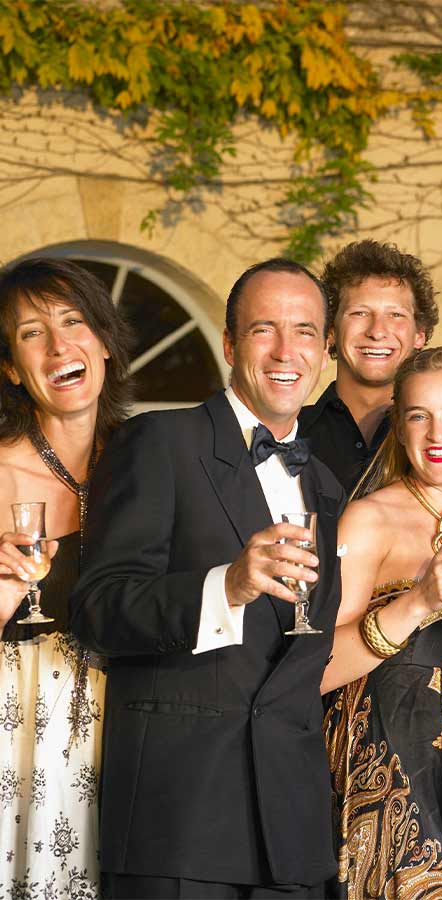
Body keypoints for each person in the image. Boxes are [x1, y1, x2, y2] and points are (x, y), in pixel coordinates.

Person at [70, 258, 346, 897]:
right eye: (263, 330)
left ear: (326, 349)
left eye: (305, 331)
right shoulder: (159, 441)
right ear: (229, 345)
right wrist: (227, 586)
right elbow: (99, 608)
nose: (286, 351)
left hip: (294, 839)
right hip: (178, 821)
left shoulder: (327, 489)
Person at [322, 346, 442, 898]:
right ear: (399, 428)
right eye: (419, 415)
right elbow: (319, 670)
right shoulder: (369, 518)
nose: (437, 432)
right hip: (381, 791)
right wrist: (419, 600)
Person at [0, 258, 133, 896]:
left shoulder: (152, 463)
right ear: (9, 367)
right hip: (20, 731)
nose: (58, 345)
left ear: (104, 342)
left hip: (132, 724)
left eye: (73, 321)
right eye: (31, 332)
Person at [299, 240, 442, 507]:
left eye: (396, 315)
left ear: (419, 334)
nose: (377, 331)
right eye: (359, 312)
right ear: (330, 331)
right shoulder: (291, 434)